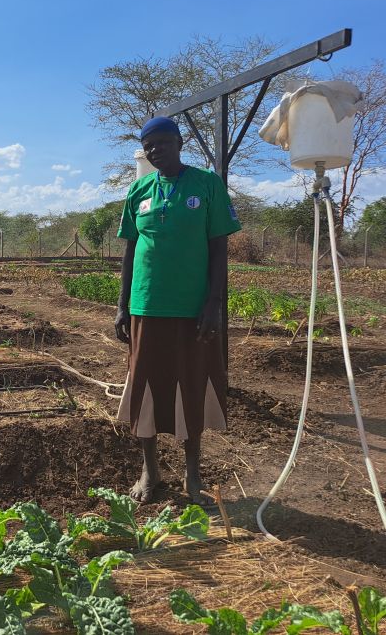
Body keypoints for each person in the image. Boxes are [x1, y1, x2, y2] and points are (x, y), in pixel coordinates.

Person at [114, 116, 241, 504]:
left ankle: (193, 476)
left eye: (163, 143)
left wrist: (213, 303)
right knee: (145, 387)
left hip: (192, 309)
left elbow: (219, 248)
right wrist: (122, 305)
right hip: (146, 306)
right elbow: (131, 250)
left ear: (179, 142)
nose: (155, 151)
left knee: (192, 385)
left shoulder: (206, 184)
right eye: (148, 146)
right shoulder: (139, 190)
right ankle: (150, 473)